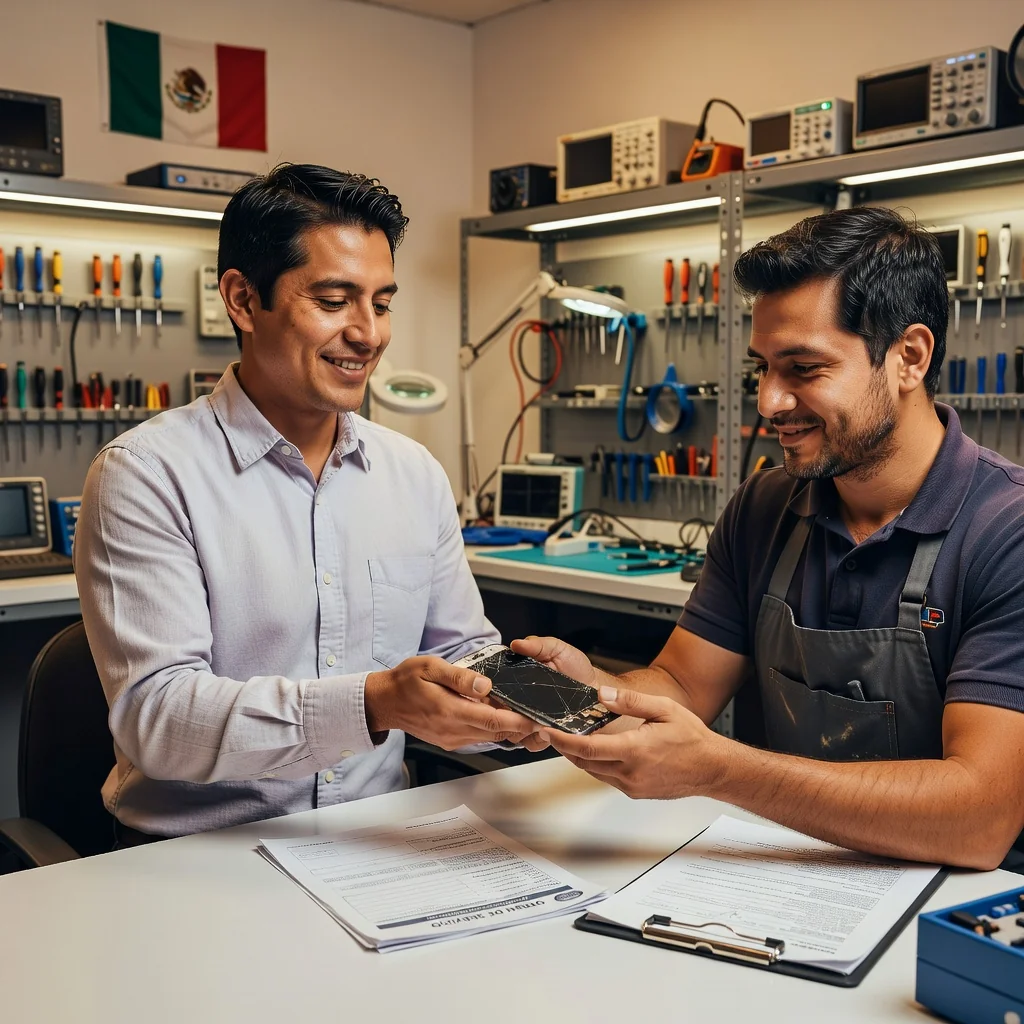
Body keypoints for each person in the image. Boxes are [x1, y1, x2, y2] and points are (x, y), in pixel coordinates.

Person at [515, 206, 1024, 873]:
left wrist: (723, 770)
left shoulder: (1005, 533)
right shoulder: (764, 508)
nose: (769, 402)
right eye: (763, 369)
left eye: (803, 369)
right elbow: (680, 684)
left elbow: (979, 820)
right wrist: (592, 696)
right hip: (775, 874)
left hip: (939, 910)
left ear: (909, 357)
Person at [75, 164, 535, 843]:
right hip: (196, 857)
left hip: (378, 844)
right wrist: (372, 703)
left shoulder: (413, 474)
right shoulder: (145, 475)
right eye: (333, 300)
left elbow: (463, 655)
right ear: (241, 299)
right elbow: (160, 719)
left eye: (381, 303)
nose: (368, 334)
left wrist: (529, 697)